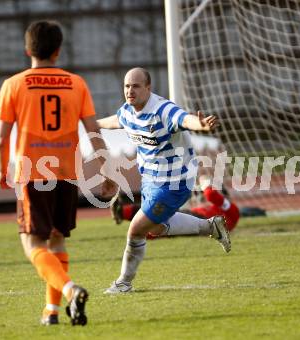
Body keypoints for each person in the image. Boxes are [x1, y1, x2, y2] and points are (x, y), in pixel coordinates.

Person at [0, 20, 113, 326]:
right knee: (57, 241)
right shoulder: (76, 83)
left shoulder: (14, 84)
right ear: (58, 51)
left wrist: (1, 168)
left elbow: (1, 138)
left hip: (32, 173)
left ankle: (71, 291)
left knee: (32, 244)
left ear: (27, 49)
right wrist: (106, 170)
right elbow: (94, 132)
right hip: (66, 172)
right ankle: (52, 311)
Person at [96, 67, 231, 294]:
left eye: (136, 86)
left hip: (175, 182)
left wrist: (202, 125)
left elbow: (185, 118)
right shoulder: (127, 111)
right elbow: (114, 121)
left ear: (148, 88)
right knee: (157, 227)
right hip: (150, 179)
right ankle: (211, 226)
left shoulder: (163, 110)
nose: (130, 90)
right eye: (127, 86)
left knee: (136, 230)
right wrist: (89, 123)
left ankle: (123, 283)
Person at [111, 179, 240, 233]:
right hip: (197, 221)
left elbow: (211, 194)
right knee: (158, 223)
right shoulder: (225, 211)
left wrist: (206, 183)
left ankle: (123, 212)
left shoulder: (231, 210)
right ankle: (123, 213)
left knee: (159, 212)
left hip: (199, 220)